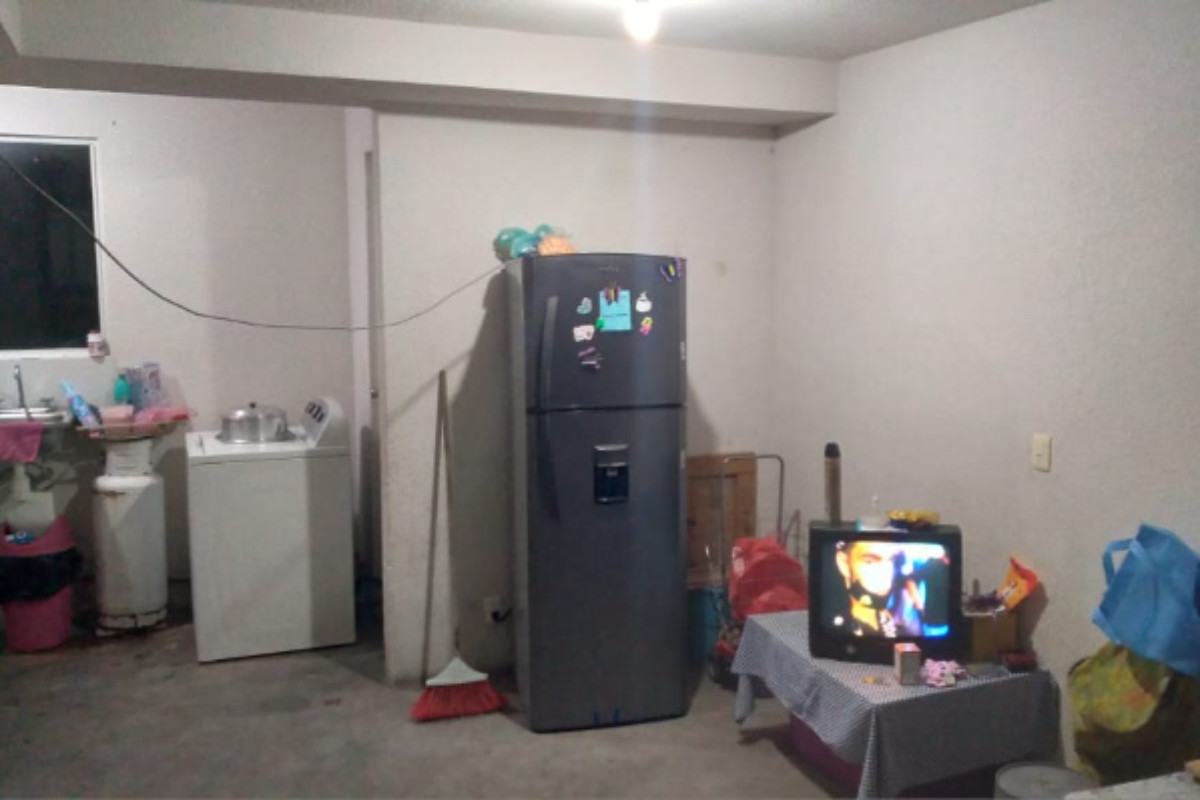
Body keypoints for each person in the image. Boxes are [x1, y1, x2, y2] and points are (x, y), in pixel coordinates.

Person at [829, 541, 924, 637]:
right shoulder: (838, 628)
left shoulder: (885, 617)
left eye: (891, 560)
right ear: (844, 564)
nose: (886, 579)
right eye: (870, 562)